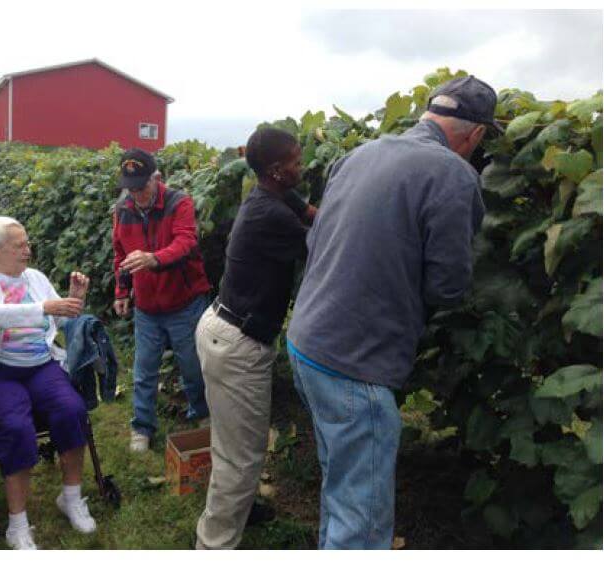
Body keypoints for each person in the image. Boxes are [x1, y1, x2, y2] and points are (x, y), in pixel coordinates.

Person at [286, 75, 499, 549]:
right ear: (477, 134)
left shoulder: (357, 154)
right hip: (354, 364)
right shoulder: (453, 174)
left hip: (306, 343)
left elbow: (314, 240)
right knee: (360, 524)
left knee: (341, 488)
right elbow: (447, 286)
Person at [195, 127, 317, 549]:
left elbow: (310, 212)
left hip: (224, 331)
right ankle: (214, 546)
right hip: (238, 344)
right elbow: (329, 242)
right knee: (241, 459)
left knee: (231, 443)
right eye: (297, 162)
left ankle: (238, 512)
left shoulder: (269, 195)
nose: (303, 167)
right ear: (277, 170)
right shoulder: (272, 216)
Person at [0, 216, 96, 550]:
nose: (27, 250)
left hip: (39, 364)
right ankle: (17, 524)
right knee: (15, 427)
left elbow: (57, 318)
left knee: (72, 410)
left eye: (27, 243)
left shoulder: (34, 278)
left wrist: (73, 299)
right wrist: (43, 307)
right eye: (19, 245)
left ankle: (71, 497)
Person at [112, 148, 211, 452]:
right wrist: (122, 291)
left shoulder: (178, 202)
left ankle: (202, 415)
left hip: (185, 302)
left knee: (193, 367)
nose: (137, 194)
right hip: (147, 307)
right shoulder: (123, 209)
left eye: (142, 186)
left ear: (156, 178)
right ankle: (142, 427)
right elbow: (120, 254)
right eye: (131, 188)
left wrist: (154, 259)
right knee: (144, 370)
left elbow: (186, 242)